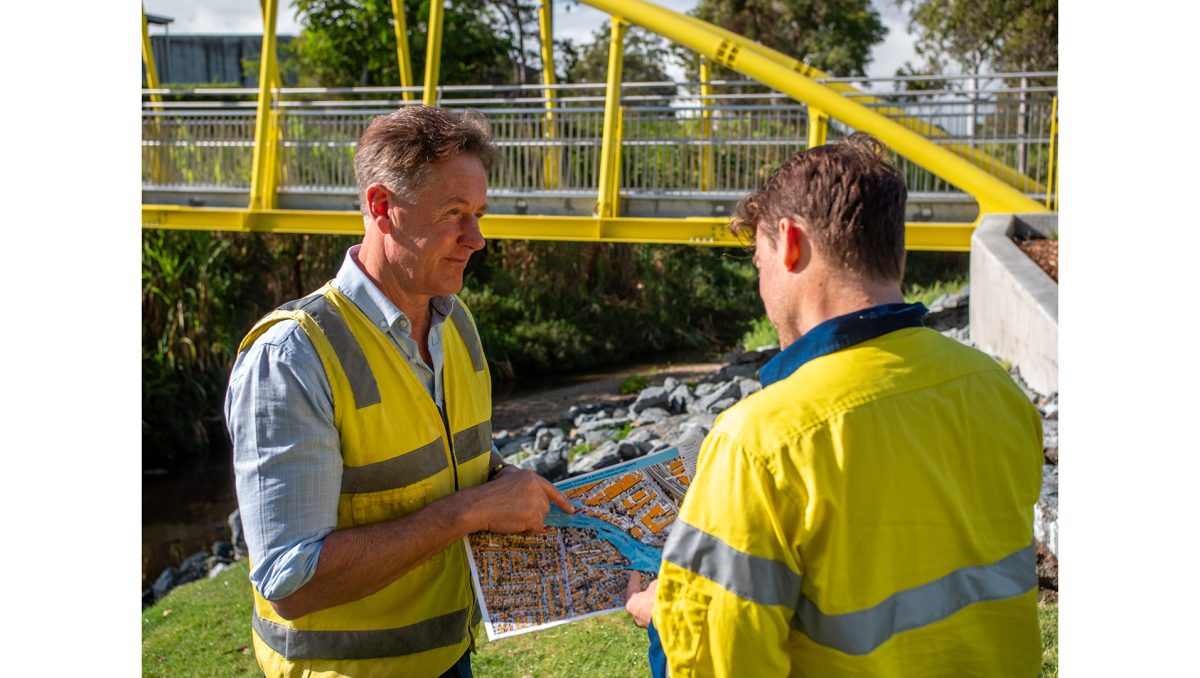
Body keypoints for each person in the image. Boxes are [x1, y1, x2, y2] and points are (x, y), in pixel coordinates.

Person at [624, 133, 1044, 676]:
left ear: (792, 244)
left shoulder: (758, 443)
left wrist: (667, 616)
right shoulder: (997, 392)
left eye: (759, 262)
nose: (762, 286)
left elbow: (717, 666)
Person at [225, 105, 573, 678]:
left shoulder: (455, 321)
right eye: (455, 214)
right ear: (381, 207)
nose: (477, 238)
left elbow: (445, 464)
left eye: (480, 214)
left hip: (448, 656)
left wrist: (505, 482)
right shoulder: (291, 357)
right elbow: (291, 581)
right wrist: (470, 511)